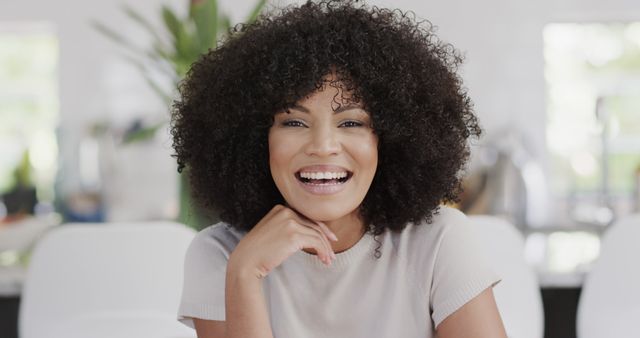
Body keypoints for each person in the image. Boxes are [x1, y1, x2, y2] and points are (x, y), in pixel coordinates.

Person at [171, 1, 507, 337]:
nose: (322, 145)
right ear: (258, 139)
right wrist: (245, 274)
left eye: (350, 122)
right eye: (293, 122)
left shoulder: (438, 241)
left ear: (388, 140)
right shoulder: (223, 254)